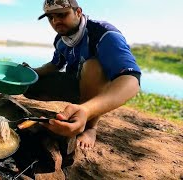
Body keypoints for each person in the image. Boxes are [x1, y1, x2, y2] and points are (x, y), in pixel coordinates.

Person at [23, 0, 141, 150]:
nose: (55, 21)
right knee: (30, 86)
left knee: (93, 66)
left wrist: (87, 110)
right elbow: (55, 65)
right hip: (76, 83)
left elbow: (132, 79)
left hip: (101, 91)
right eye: (50, 17)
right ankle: (80, 106)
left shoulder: (104, 34)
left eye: (62, 15)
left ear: (78, 12)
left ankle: (90, 126)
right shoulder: (60, 39)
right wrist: (31, 71)